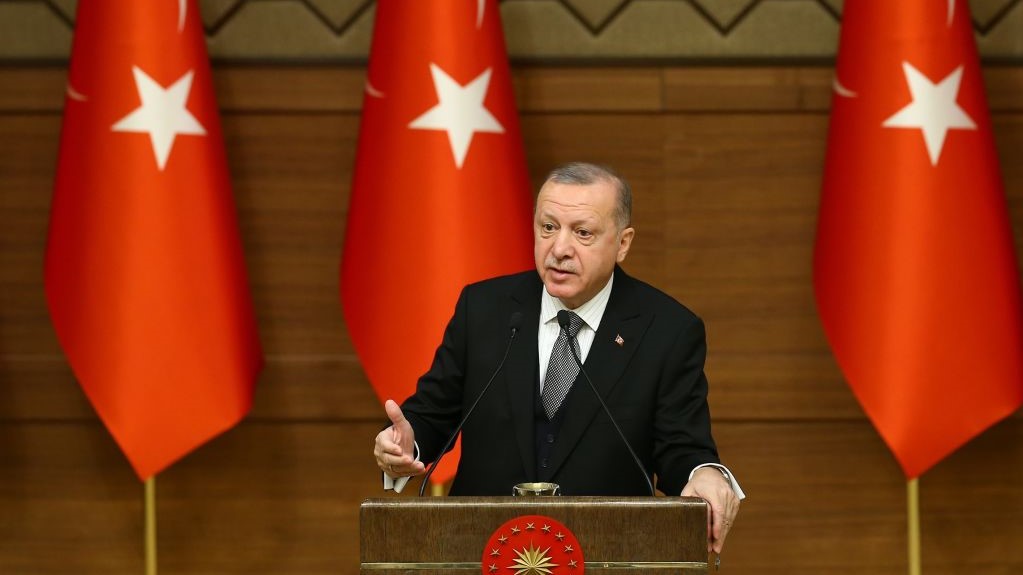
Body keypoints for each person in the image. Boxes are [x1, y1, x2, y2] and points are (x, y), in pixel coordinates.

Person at [373, 162, 744, 553]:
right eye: (548, 227)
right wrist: (405, 444)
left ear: (623, 243)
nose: (559, 248)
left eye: (582, 233)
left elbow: (681, 447)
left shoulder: (667, 330)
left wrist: (704, 474)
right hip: (481, 550)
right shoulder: (485, 309)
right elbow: (433, 414)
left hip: (609, 552)